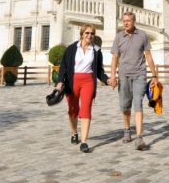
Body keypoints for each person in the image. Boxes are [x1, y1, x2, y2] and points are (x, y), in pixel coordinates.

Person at [109, 11, 160, 151]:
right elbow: (114, 58)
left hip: (139, 75)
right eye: (124, 20)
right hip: (124, 76)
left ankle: (139, 137)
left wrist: (154, 75)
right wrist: (113, 76)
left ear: (134, 21)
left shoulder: (142, 35)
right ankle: (127, 130)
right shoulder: (118, 37)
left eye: (128, 20)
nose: (125, 23)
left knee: (138, 103)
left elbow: (148, 56)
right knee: (125, 105)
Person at [55, 24, 110, 153]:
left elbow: (99, 70)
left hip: (88, 81)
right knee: (73, 110)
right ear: (82, 34)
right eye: (87, 33)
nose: (89, 36)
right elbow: (63, 66)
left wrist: (106, 79)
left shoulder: (96, 50)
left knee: (86, 110)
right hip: (73, 81)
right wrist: (59, 81)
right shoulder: (71, 48)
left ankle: (84, 141)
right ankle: (74, 133)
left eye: (92, 34)